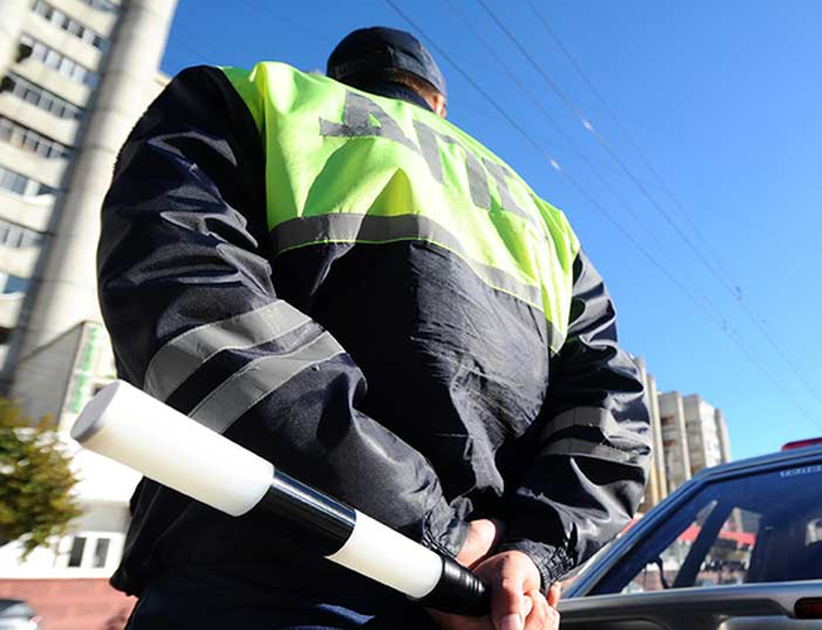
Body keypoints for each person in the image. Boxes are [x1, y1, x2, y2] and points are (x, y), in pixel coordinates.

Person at [97, 26, 651, 630]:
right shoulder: (544, 221)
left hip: (253, 574)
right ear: (437, 101)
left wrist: (430, 538)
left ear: (340, 79)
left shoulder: (251, 100)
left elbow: (184, 297)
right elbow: (611, 413)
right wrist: (527, 553)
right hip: (486, 600)